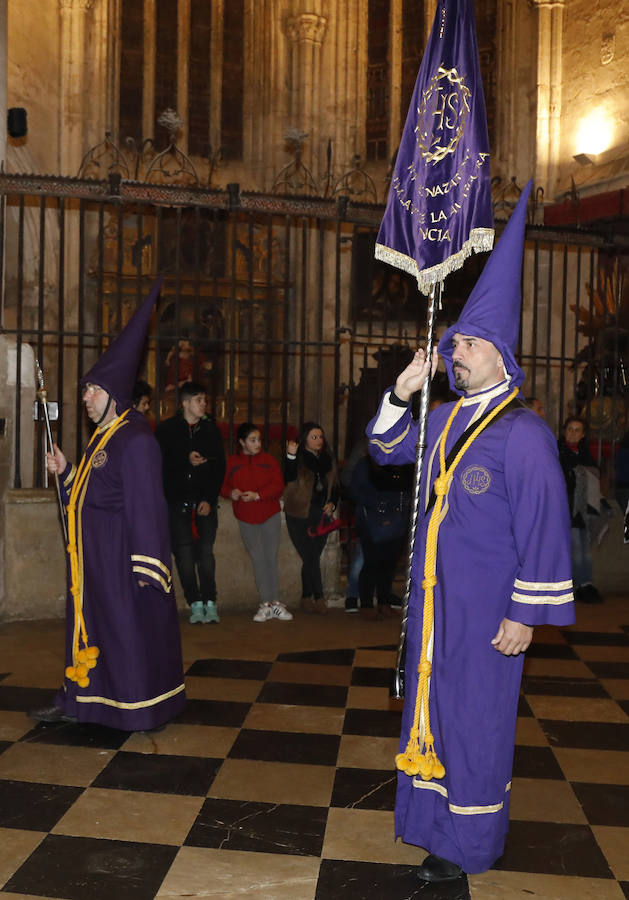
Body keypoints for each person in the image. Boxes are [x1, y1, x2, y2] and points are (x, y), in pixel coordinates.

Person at [367, 184, 575, 881]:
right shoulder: (446, 416)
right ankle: (432, 832)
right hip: (434, 604)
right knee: (432, 711)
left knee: (477, 724)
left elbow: (543, 526)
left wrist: (525, 614)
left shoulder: (523, 433)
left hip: (489, 612)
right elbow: (383, 450)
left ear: (502, 358)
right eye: (455, 344)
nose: (458, 353)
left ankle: (467, 850)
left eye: (471, 345)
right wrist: (402, 393)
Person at [30, 279, 186, 731]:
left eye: (91, 391)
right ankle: (80, 701)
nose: (85, 398)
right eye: (84, 391)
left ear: (113, 390)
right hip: (92, 563)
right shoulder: (105, 438)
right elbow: (95, 495)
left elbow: (146, 509)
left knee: (121, 637)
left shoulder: (135, 441)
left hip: (120, 565)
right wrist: (67, 473)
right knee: (91, 632)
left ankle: (134, 705)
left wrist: (147, 568)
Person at [155, 381, 225, 624]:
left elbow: (219, 467)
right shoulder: (167, 430)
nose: (203, 404)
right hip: (178, 503)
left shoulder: (211, 429)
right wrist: (186, 460)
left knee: (205, 553)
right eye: (198, 400)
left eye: (204, 400)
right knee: (184, 555)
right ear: (185, 403)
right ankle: (194, 601)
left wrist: (208, 498)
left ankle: (210, 601)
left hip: (204, 503)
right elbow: (160, 466)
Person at [221, 423, 292, 622]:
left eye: (259, 439)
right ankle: (265, 604)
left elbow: (278, 485)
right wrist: (231, 493)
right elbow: (223, 485)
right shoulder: (232, 462)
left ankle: (275, 602)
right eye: (252, 440)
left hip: (269, 514)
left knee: (270, 557)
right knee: (258, 558)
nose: (257, 443)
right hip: (246, 516)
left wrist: (258, 495)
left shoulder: (269, 460)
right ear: (242, 442)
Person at [283, 422, 339, 615]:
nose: (318, 441)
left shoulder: (328, 460)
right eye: (314, 437)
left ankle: (306, 598)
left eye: (320, 437)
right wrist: (290, 455)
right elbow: (288, 476)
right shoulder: (298, 459)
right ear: (305, 439)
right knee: (311, 556)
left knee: (312, 556)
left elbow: (335, 486)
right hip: (299, 513)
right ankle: (319, 597)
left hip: (321, 514)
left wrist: (332, 503)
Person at [349, 455, 411, 619]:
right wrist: (377, 506)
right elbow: (355, 489)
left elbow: (407, 487)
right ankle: (367, 604)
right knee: (371, 562)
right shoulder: (366, 465)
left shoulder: (401, 462)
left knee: (389, 564)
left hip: (396, 519)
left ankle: (384, 602)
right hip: (372, 519)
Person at [557, 416, 602, 603]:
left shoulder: (584, 452)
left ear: (583, 434)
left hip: (584, 507)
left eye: (577, 430)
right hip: (567, 507)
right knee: (576, 548)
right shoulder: (558, 451)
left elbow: (595, 473)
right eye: (570, 429)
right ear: (564, 431)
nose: (573, 433)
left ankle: (586, 583)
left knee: (584, 548)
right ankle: (579, 585)